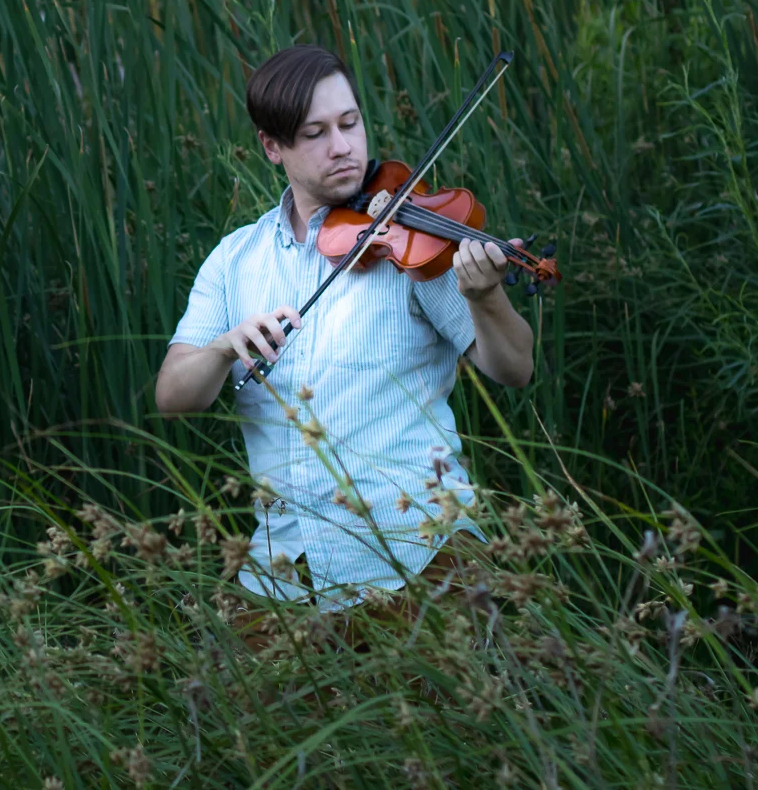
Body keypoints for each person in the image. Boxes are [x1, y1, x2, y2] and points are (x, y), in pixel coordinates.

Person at [153, 43, 534, 640]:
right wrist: (226, 347)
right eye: (316, 133)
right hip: (285, 573)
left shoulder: (408, 245)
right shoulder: (234, 263)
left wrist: (488, 296)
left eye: (350, 123)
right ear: (272, 146)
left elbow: (513, 367)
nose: (343, 147)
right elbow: (174, 394)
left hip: (423, 557)